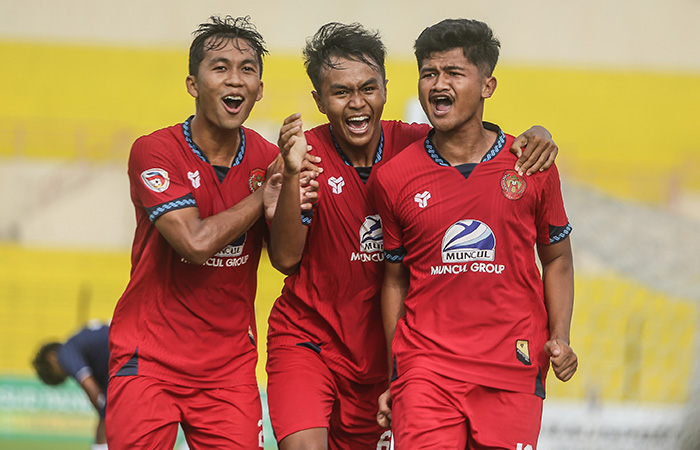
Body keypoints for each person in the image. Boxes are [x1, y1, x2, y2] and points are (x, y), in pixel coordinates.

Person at [266, 22, 560, 450]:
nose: (357, 104)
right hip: (310, 339)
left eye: (368, 88)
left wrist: (538, 136)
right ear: (319, 100)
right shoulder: (303, 158)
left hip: (388, 353)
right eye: (341, 92)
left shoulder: (414, 144)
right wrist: (290, 176)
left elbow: (475, 138)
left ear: (386, 88)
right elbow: (286, 259)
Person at [106, 15, 317, 449]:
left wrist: (290, 186)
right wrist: (266, 195)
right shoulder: (155, 150)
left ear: (259, 89)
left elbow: (285, 260)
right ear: (193, 84)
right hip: (148, 359)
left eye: (247, 70)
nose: (234, 80)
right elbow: (195, 243)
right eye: (219, 67)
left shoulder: (269, 160)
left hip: (228, 370)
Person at [373, 18, 578, 449]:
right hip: (426, 370)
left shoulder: (531, 165)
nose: (438, 84)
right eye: (429, 73)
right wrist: (397, 372)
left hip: (513, 366)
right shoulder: (394, 177)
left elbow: (557, 258)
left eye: (453, 73)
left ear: (488, 85)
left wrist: (559, 335)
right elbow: (394, 278)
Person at [33, 321, 110, 450]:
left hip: (126, 357)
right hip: (132, 352)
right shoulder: (79, 346)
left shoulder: (65, 353)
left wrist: (106, 412)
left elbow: (90, 386)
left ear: (51, 356)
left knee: (104, 428)